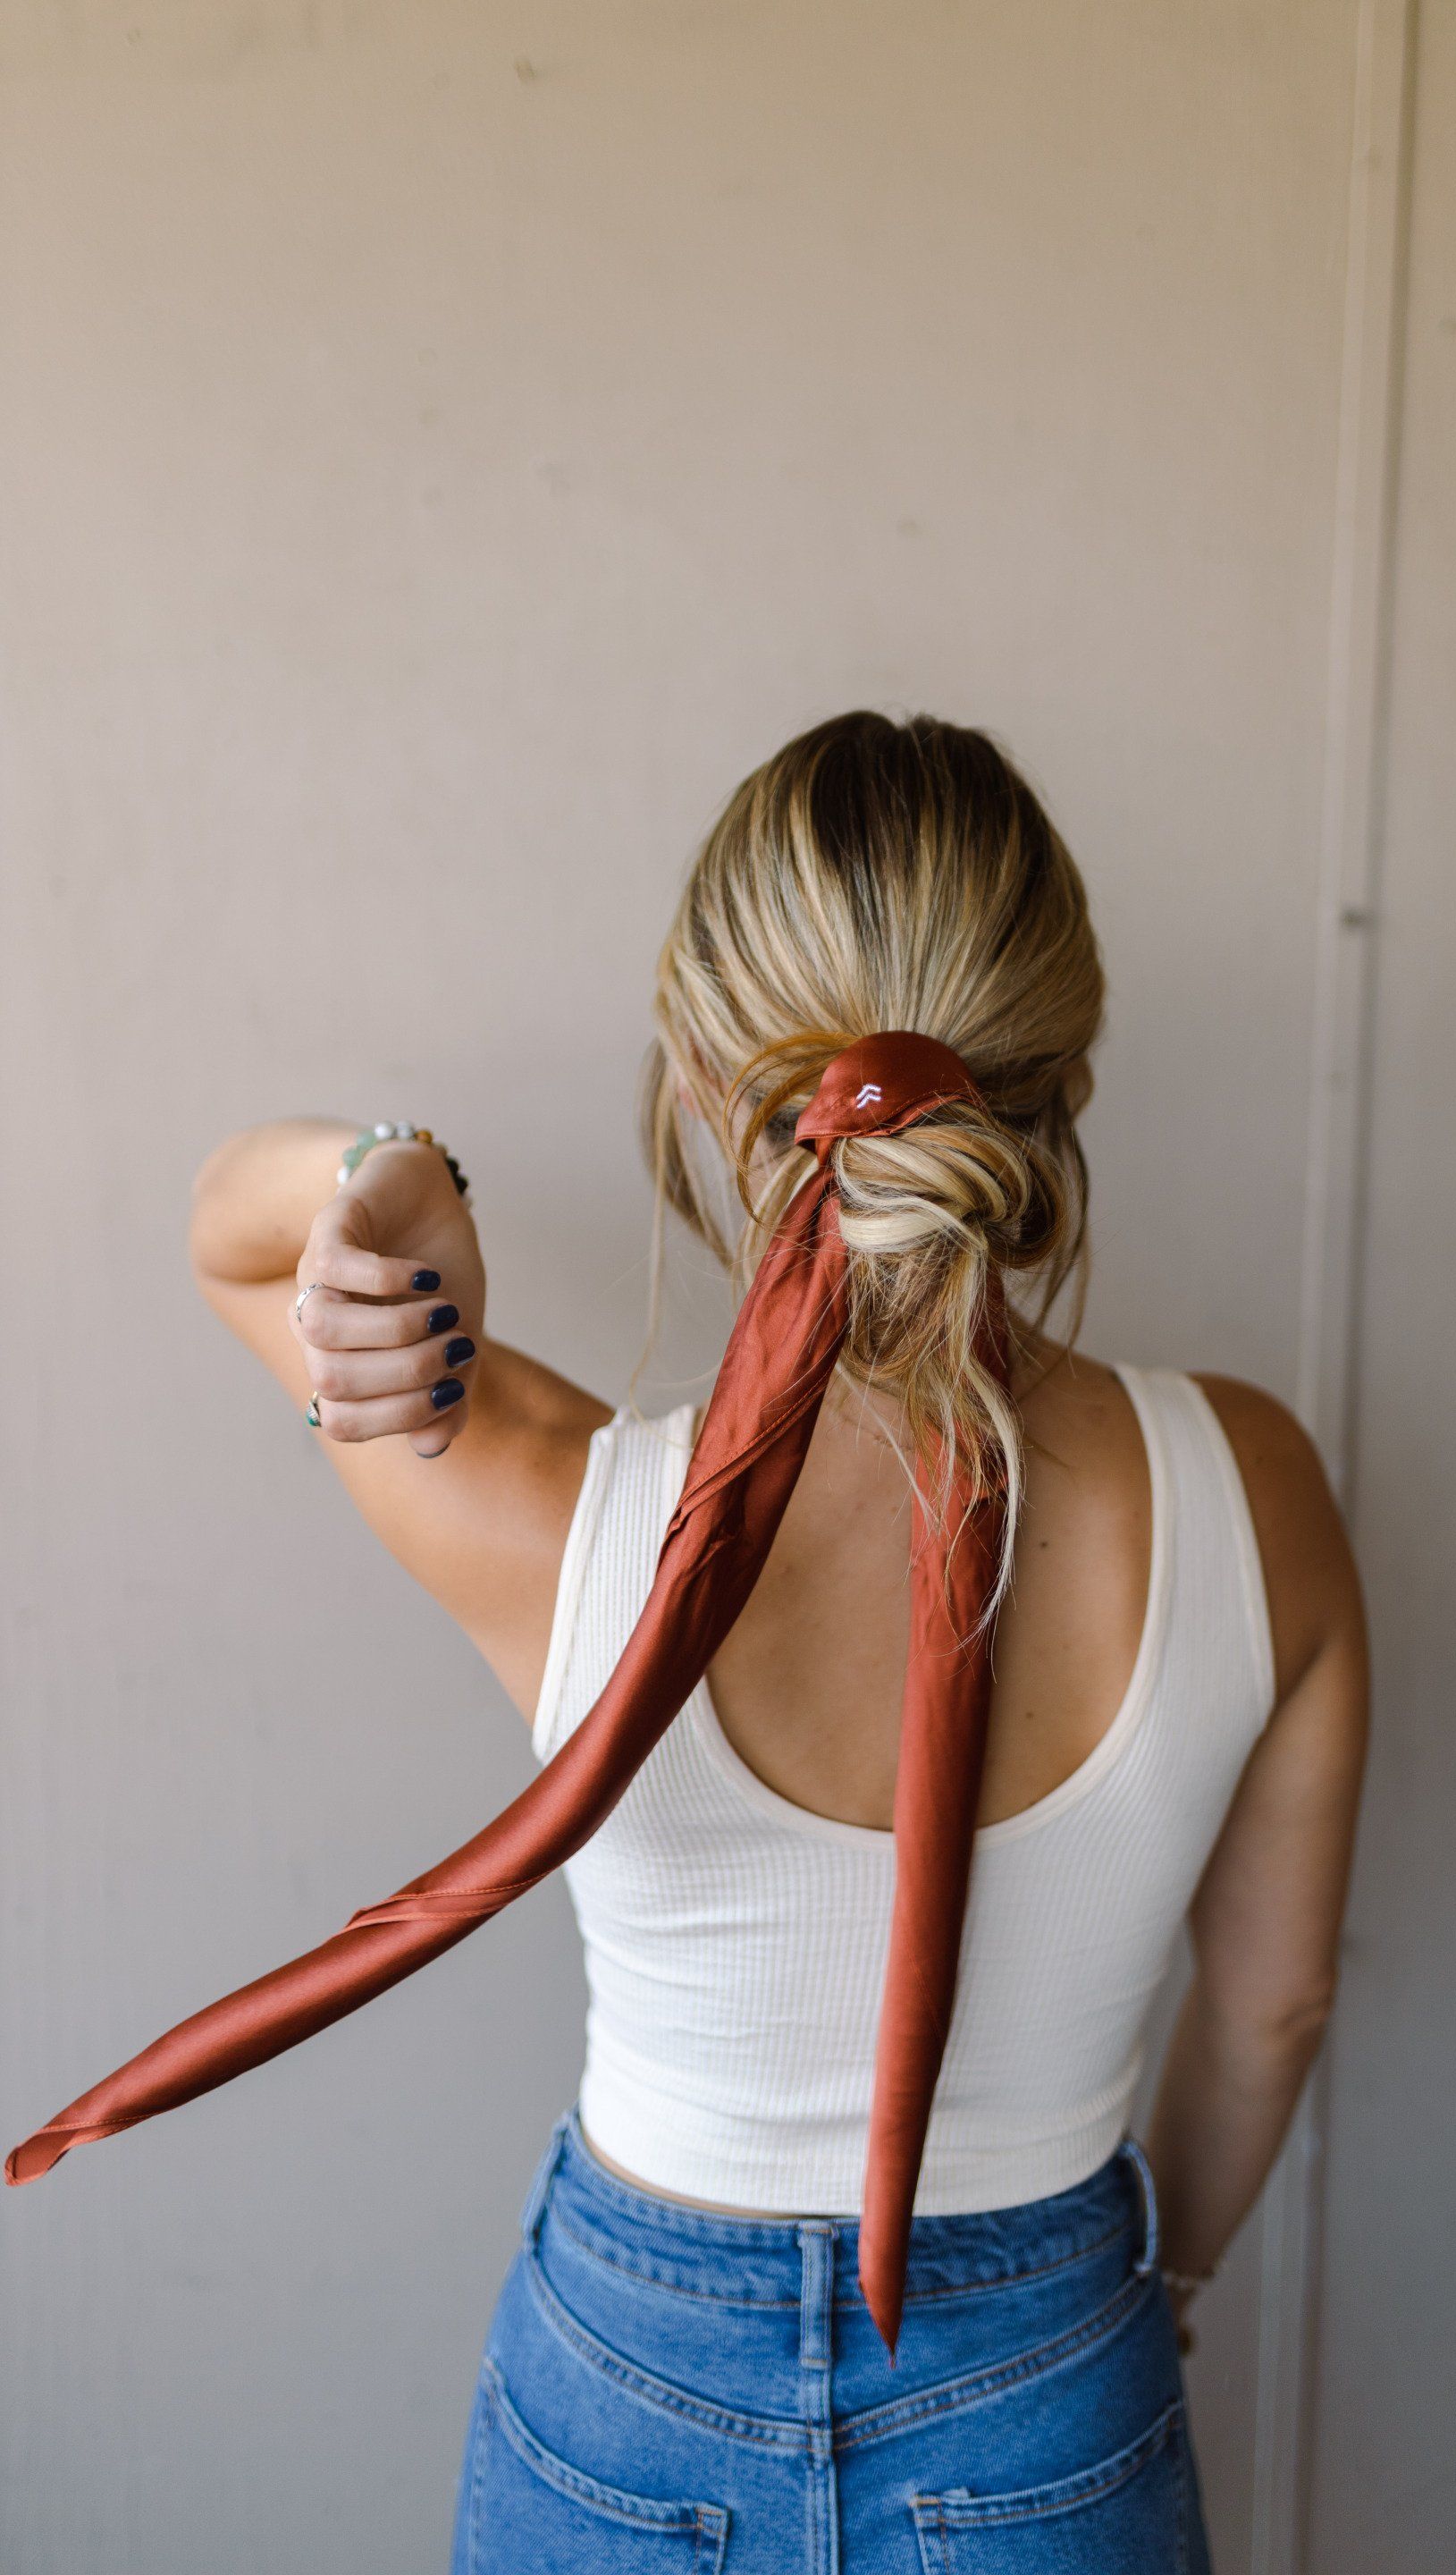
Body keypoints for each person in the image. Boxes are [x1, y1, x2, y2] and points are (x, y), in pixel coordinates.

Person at [185, 711, 1368, 2574]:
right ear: (1061, 1080)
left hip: (624, 2391)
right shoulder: (1259, 1491)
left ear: (696, 1076)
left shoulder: (551, 1509)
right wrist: (1175, 2280)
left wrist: (381, 1174)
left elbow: (237, 1243)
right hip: (1052, 2371)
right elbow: (1275, 2004)